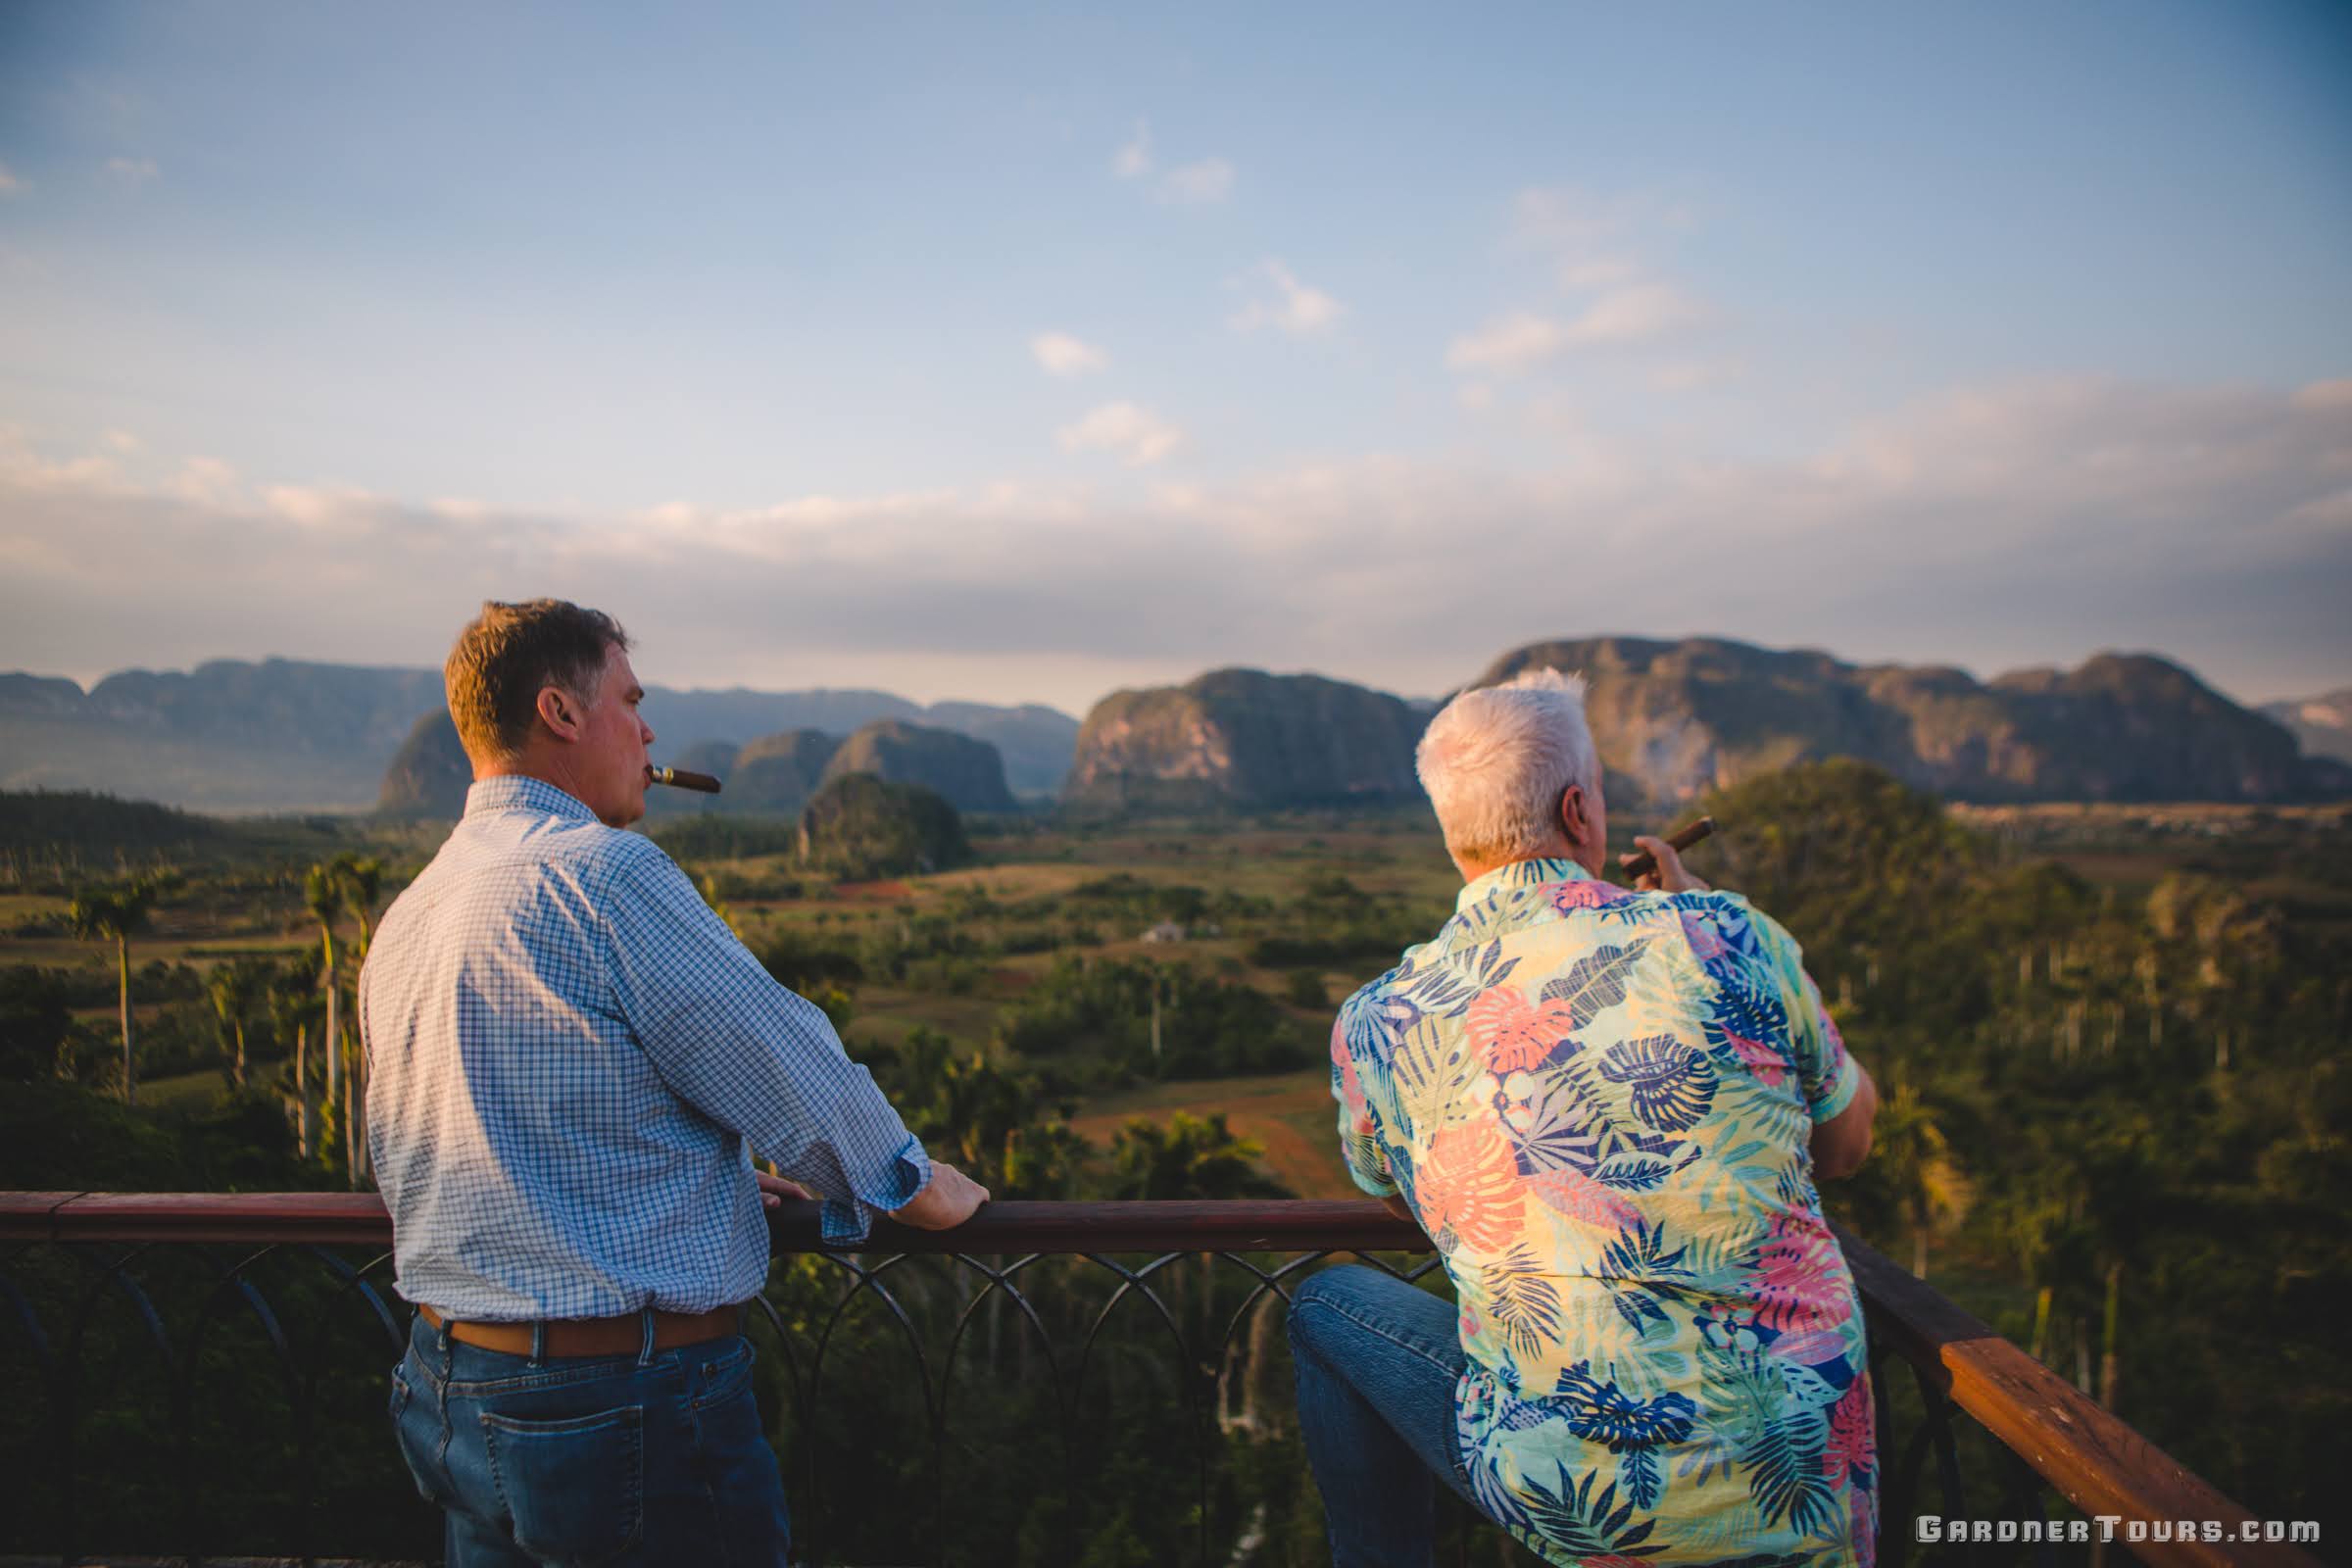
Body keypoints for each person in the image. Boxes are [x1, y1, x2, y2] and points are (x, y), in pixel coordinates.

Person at [361, 599, 989, 1566]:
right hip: (616, 1409)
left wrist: (703, 1180)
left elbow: (495, 1134)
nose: (649, 732)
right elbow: (782, 1058)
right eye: (631, 699)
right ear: (562, 715)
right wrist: (916, 1182)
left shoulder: (415, 907)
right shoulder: (604, 873)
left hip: (449, 1385)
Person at [1295, 667, 1881, 1568]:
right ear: (1579, 811)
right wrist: (1685, 910)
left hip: (1579, 1497)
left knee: (1328, 1303)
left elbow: (1390, 1184)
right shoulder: (1724, 933)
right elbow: (1847, 1142)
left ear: (1455, 833)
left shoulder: (1377, 1020)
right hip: (1799, 1481)